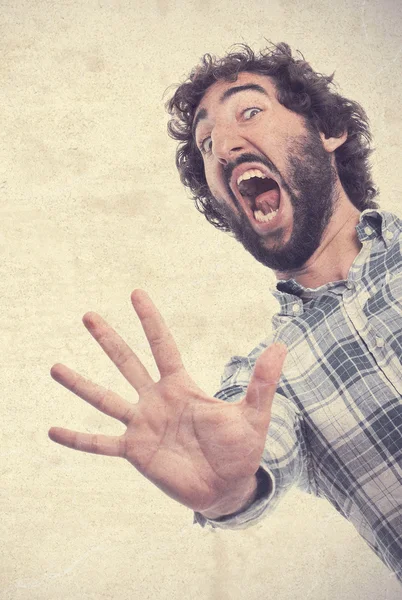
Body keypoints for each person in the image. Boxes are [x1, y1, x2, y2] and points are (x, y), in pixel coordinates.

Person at [48, 43, 402, 583]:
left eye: (250, 112)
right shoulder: (265, 381)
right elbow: (252, 449)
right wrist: (227, 491)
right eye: (206, 143)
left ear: (329, 131)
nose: (223, 147)